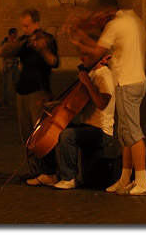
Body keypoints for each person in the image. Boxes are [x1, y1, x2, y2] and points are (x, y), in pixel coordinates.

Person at [68, 0, 146, 196]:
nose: (98, 17)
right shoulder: (132, 18)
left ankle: (142, 181)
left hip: (126, 82)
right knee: (125, 134)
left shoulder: (114, 25)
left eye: (99, 12)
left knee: (133, 133)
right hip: (137, 80)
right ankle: (124, 179)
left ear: (108, 9)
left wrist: (77, 39)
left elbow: (96, 53)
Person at [29, 50, 115, 190]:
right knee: (49, 128)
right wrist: (53, 102)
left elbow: (102, 103)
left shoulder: (105, 75)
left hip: (101, 131)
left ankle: (68, 178)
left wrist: (88, 84)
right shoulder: (90, 73)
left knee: (67, 135)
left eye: (86, 55)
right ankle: (49, 173)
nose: (81, 58)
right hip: (86, 125)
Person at [0, 8, 59, 186]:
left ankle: (49, 171)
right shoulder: (24, 41)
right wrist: (11, 44)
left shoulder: (47, 39)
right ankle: (36, 170)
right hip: (22, 91)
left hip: (38, 92)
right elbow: (5, 52)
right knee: (27, 134)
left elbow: (54, 62)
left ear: (36, 23)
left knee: (41, 134)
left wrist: (42, 49)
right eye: (23, 25)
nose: (24, 28)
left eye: (27, 25)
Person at [0, 28, 19, 109]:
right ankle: (5, 103)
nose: (16, 35)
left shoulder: (15, 42)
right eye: (15, 33)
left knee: (17, 85)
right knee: (7, 86)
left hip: (15, 65)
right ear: (11, 34)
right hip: (8, 66)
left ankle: (17, 102)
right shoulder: (5, 42)